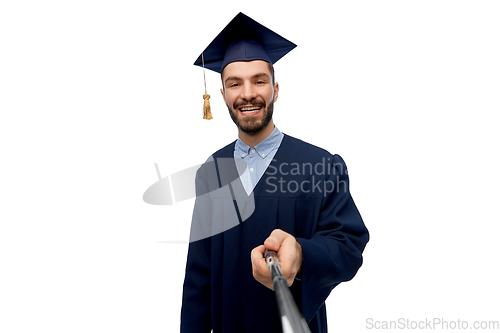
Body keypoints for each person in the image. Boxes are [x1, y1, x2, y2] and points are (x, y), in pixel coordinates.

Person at [181, 12, 369, 333]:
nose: (247, 93)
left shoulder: (320, 165)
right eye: (235, 83)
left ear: (275, 89)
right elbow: (199, 278)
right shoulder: (212, 172)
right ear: (223, 94)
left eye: (259, 80)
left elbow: (348, 245)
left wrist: (303, 252)